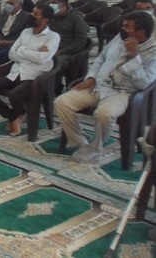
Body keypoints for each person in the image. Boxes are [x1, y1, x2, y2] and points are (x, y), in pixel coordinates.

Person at [55, 11, 156, 162]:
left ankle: (94, 148)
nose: (122, 29)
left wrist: (134, 56)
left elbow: (144, 84)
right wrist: (91, 77)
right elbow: (101, 57)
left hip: (122, 93)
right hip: (99, 85)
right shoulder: (120, 38)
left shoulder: (153, 52)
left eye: (127, 27)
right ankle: (80, 142)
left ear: (140, 32)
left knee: (104, 114)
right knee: (62, 102)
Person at [0, 3, 60, 136]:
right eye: (32, 12)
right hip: (15, 72)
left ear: (45, 20)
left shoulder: (53, 37)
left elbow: (42, 58)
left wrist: (22, 51)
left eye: (35, 14)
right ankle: (14, 116)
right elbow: (12, 53)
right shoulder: (26, 32)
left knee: (15, 95)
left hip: (34, 77)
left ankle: (15, 117)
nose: (31, 15)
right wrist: (32, 54)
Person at [47, 0, 89, 82]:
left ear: (63, 5)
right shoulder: (53, 18)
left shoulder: (76, 18)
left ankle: (52, 88)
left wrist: (61, 51)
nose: (51, 5)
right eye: (50, 3)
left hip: (68, 54)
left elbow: (80, 42)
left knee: (51, 64)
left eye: (54, 3)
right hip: (52, 51)